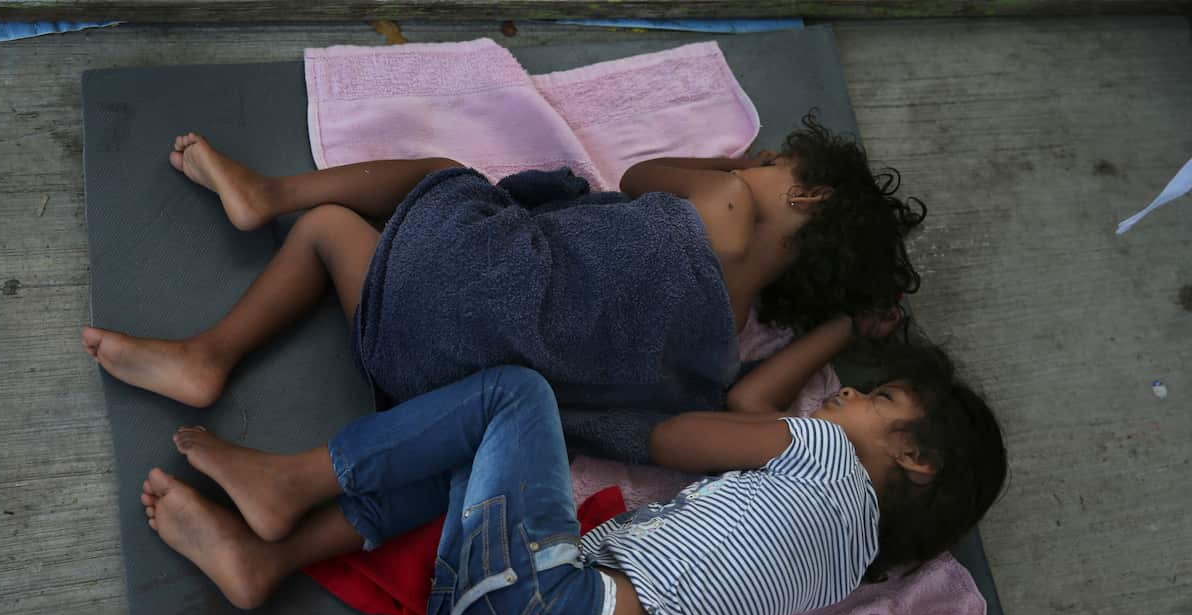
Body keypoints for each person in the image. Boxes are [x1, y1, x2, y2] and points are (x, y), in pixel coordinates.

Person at [138, 315, 1006, 615]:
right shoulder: (842, 566)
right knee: (477, 462)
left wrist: (834, 334)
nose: (848, 393)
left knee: (515, 396)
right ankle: (265, 559)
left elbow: (691, 429)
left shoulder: (822, 452)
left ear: (915, 458)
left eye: (878, 397)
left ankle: (289, 484)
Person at [81, 116, 923, 461]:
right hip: (437, 386)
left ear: (800, 193)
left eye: (778, 161)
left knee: (439, 179)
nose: (757, 162)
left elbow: (636, 174)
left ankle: (265, 211)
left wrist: (739, 165)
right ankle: (206, 357)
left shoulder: (729, 199)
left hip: (460, 289)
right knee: (343, 244)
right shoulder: (724, 332)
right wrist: (843, 327)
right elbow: (752, 405)